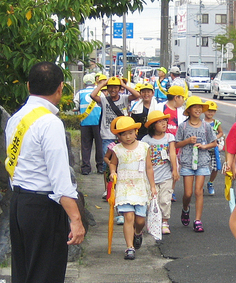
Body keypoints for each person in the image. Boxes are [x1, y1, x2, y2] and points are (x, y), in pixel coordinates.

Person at [5, 62, 85, 283]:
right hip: (43, 208)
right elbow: (60, 179)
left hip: (20, 204)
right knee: (46, 274)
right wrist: (76, 219)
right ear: (60, 88)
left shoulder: (16, 118)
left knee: (24, 273)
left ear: (28, 85)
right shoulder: (50, 123)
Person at [109, 116, 156, 260]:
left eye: (130, 133)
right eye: (123, 134)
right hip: (124, 187)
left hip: (140, 186)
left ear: (136, 131)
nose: (128, 136)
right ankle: (129, 247)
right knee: (128, 217)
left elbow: (149, 167)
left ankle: (138, 233)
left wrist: (153, 186)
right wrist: (112, 172)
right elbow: (112, 163)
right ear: (119, 136)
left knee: (140, 220)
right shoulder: (117, 149)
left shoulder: (144, 147)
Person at [90, 76, 140, 199]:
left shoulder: (124, 98)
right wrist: (103, 84)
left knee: (122, 162)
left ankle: (121, 186)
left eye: (116, 87)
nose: (113, 90)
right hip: (107, 135)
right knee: (107, 163)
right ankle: (107, 189)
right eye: (111, 87)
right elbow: (92, 95)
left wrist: (123, 85)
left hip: (123, 135)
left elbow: (137, 95)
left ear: (119, 88)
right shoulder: (104, 100)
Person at [175, 96, 217, 232]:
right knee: (188, 193)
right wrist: (187, 141)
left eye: (200, 107)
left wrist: (204, 146)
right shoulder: (183, 126)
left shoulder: (206, 126)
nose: (198, 109)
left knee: (198, 192)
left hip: (203, 162)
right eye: (195, 107)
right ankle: (185, 209)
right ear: (189, 110)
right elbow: (177, 143)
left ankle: (198, 220)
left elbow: (214, 142)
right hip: (187, 162)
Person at [142, 111, 179, 234]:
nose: (164, 124)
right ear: (153, 125)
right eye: (160, 122)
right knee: (152, 200)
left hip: (166, 175)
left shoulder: (169, 137)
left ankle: (164, 221)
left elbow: (172, 153)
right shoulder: (146, 140)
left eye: (165, 121)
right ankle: (153, 220)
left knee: (165, 199)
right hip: (150, 176)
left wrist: (175, 169)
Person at [156, 85, 186, 202]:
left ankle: (170, 191)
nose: (182, 100)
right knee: (161, 167)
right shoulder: (160, 107)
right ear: (176, 97)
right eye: (182, 98)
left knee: (175, 167)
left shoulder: (182, 111)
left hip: (176, 144)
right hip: (162, 144)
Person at [73, 74, 103, 175]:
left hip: (85, 123)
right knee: (99, 145)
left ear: (84, 83)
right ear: (95, 82)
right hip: (98, 122)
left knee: (85, 146)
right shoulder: (99, 92)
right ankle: (100, 167)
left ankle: (85, 168)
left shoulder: (80, 93)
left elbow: (74, 107)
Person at [203, 100, 223, 195]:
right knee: (202, 167)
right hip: (204, 148)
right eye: (208, 110)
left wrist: (215, 137)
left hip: (214, 148)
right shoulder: (201, 122)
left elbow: (221, 132)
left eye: (213, 111)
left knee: (215, 167)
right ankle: (200, 184)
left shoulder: (216, 123)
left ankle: (210, 183)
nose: (210, 113)